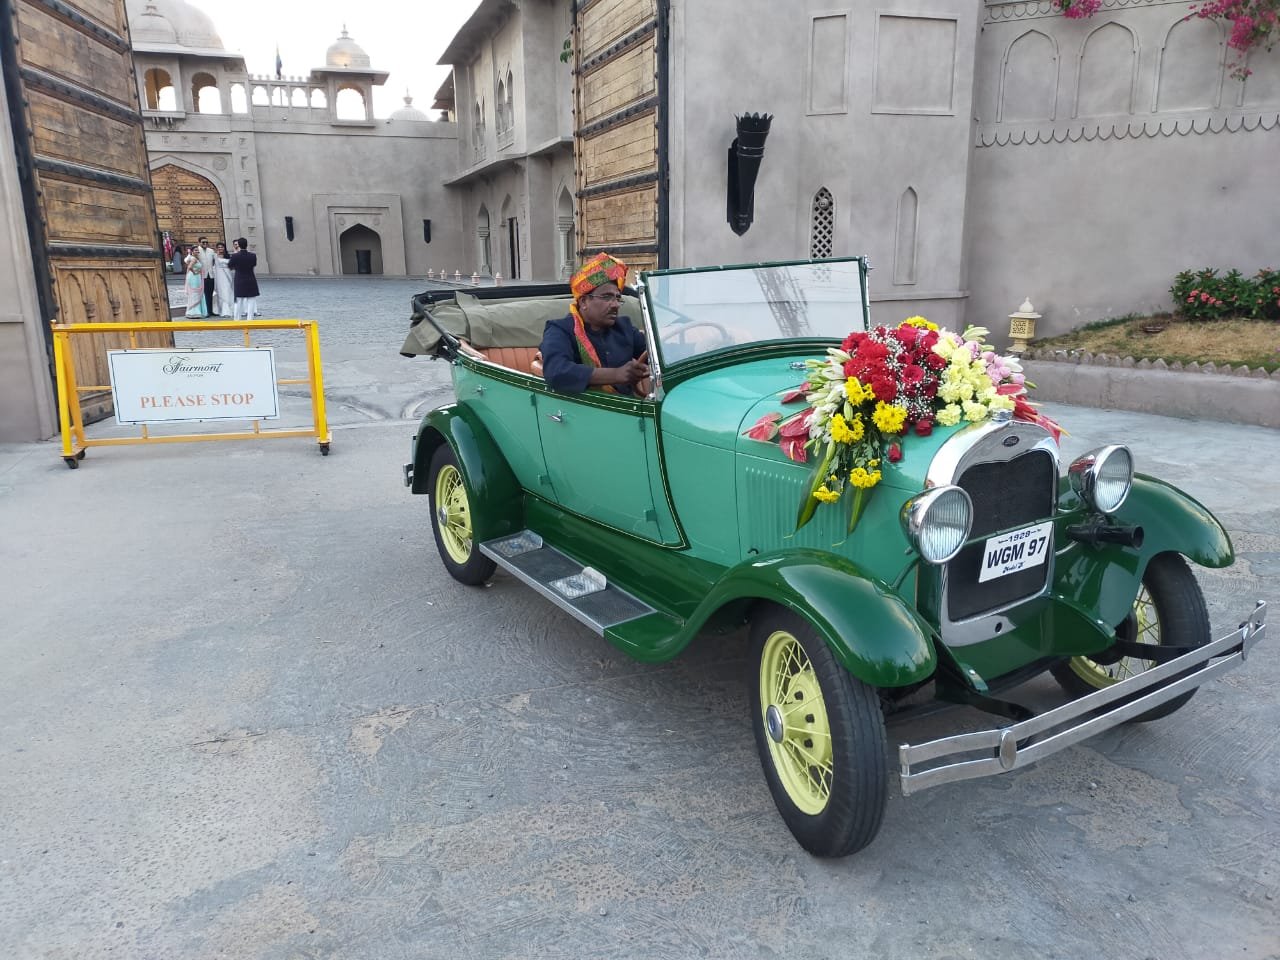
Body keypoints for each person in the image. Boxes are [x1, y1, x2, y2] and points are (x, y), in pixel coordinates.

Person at [539, 253, 648, 395]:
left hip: (630, 410)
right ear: (584, 302)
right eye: (607, 297)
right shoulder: (560, 330)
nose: (615, 305)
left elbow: (653, 354)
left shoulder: (624, 327)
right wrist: (616, 374)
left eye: (617, 298)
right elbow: (557, 372)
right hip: (582, 413)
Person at [226, 237, 260, 320]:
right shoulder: (253, 256)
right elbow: (254, 264)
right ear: (247, 245)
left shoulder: (235, 256)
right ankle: (250, 319)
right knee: (251, 300)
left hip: (239, 279)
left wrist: (237, 267)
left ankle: (237, 319)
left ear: (239, 246)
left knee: (238, 300)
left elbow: (230, 266)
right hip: (250, 279)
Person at [196, 236, 217, 316]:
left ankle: (210, 311)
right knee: (204, 294)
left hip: (211, 275)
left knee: (210, 293)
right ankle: (205, 311)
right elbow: (188, 259)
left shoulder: (211, 251)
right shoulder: (197, 250)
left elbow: (215, 260)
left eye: (206, 242)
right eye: (203, 242)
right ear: (199, 243)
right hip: (202, 275)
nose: (205, 244)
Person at [212, 242, 234, 318]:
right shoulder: (214, 256)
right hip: (219, 276)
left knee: (227, 291)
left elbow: (232, 267)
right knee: (221, 292)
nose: (220, 248)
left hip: (227, 275)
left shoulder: (228, 256)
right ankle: (222, 310)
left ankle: (229, 309)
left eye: (222, 247)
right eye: (219, 247)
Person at [183, 249, 206, 318]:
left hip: (195, 276)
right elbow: (189, 267)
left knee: (195, 292)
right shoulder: (194, 259)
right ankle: (194, 312)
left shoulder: (193, 258)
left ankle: (194, 311)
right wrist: (194, 272)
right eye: (195, 250)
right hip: (194, 277)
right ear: (192, 252)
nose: (197, 252)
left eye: (198, 251)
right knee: (195, 292)